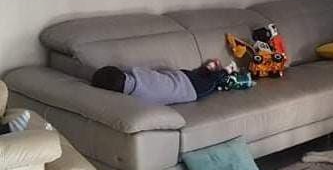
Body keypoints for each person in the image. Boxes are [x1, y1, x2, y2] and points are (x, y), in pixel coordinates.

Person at [91, 60, 239, 106]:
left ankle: (226, 70)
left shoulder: (136, 99)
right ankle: (210, 69)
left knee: (211, 84)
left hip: (191, 90)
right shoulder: (136, 72)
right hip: (181, 76)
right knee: (206, 80)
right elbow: (153, 73)